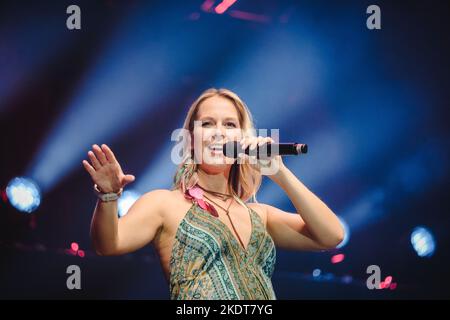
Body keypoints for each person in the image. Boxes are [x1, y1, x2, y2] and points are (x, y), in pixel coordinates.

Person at [82, 88, 344, 300]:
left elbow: (332, 236)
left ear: (243, 138)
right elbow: (108, 244)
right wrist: (108, 195)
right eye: (207, 124)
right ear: (191, 139)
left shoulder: (260, 215)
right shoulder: (164, 203)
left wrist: (280, 173)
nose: (219, 132)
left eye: (230, 124)